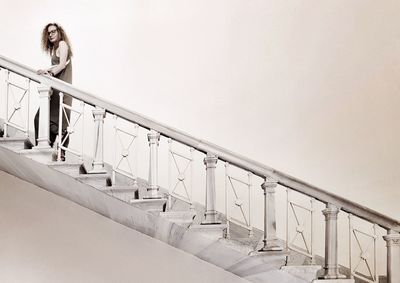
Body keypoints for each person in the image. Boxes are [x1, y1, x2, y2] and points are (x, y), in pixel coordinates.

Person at [35, 23, 73, 161]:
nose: (50, 34)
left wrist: (49, 72)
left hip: (62, 87)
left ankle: (61, 152)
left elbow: (62, 65)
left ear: (59, 32)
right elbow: (56, 66)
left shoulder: (63, 44)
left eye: (53, 31)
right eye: (48, 33)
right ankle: (49, 148)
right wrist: (46, 70)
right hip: (55, 88)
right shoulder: (55, 48)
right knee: (42, 117)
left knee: (61, 119)